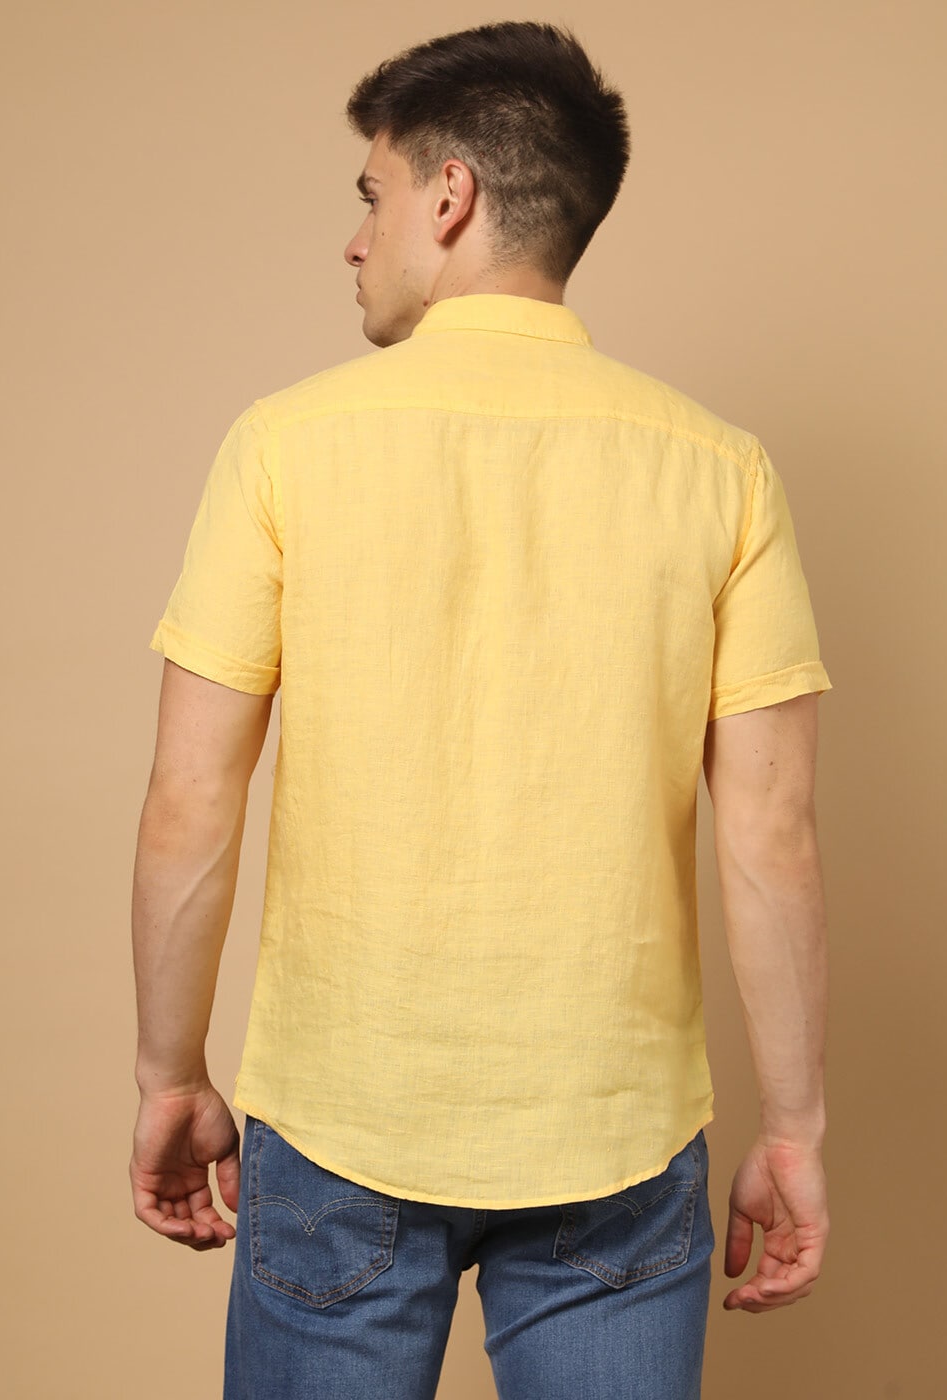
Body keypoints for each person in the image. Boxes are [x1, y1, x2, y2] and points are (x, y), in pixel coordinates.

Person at [129, 19, 832, 1400]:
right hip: (614, 1132)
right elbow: (772, 834)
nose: (354, 239)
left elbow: (189, 797)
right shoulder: (718, 469)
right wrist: (794, 1126)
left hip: (340, 1121)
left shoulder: (285, 443)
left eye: (370, 194)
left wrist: (170, 1072)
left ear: (447, 196)